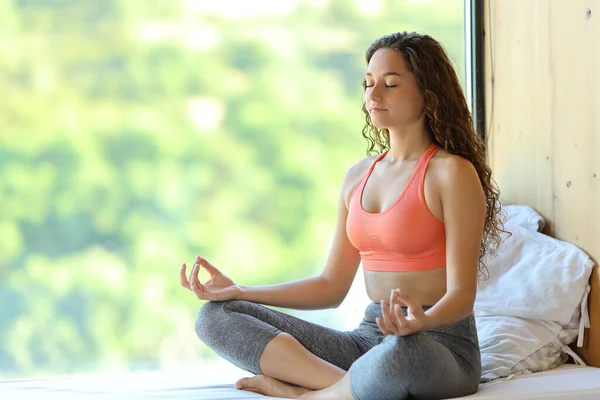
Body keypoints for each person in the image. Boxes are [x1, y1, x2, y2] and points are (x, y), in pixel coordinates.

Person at [179, 31, 505, 400]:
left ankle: (311, 394)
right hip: (369, 338)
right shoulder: (357, 177)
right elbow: (331, 286)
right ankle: (346, 386)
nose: (373, 95)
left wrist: (421, 322)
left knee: (400, 356)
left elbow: (462, 294)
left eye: (390, 83)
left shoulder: (451, 173)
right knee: (216, 317)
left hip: (437, 344)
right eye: (368, 84)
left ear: (428, 93)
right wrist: (242, 291)